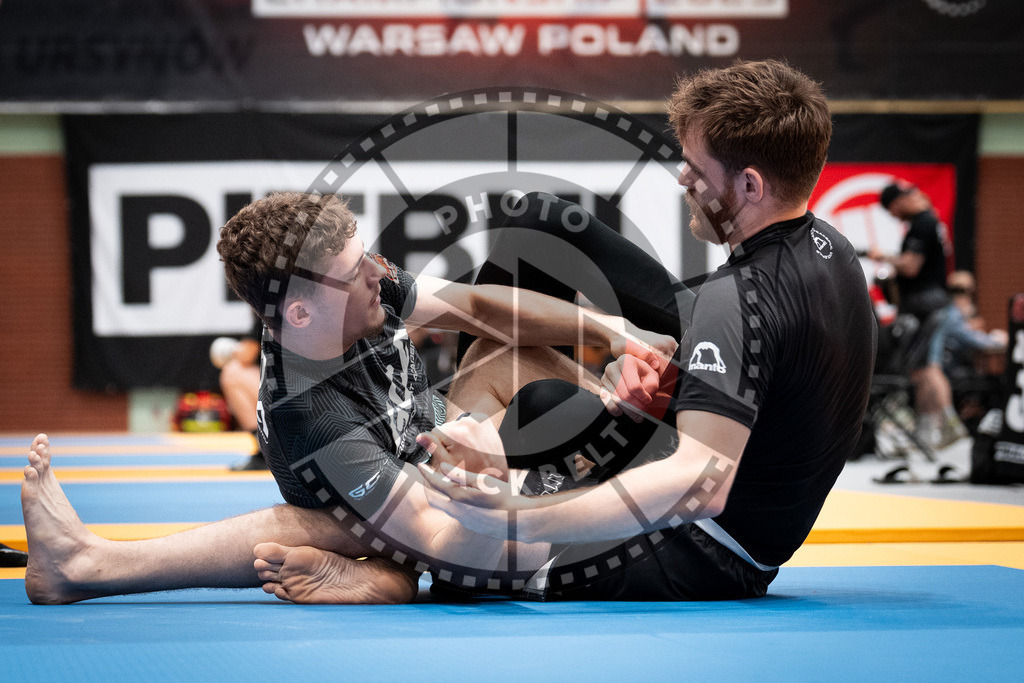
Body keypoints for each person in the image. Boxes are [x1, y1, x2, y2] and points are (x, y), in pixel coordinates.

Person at [20, 189, 675, 604]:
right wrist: (513, 479)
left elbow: (477, 307)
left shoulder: (360, 287)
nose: (378, 272)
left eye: (366, 255)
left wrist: (615, 331)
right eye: (354, 271)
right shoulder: (312, 411)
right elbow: (434, 532)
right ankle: (90, 562)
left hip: (428, 448)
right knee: (352, 530)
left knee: (508, 350)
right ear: (301, 315)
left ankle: (382, 577)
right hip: (407, 507)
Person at [869, 183, 965, 448]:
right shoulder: (927, 221)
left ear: (900, 202)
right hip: (931, 303)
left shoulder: (922, 223)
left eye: (893, 210)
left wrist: (884, 258)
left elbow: (911, 267)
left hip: (927, 306)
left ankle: (945, 427)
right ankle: (934, 430)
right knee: (923, 369)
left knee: (927, 369)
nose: (895, 216)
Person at [210, 316, 267, 471]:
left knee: (233, 372)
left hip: (302, 396)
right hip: (328, 392)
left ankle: (265, 451)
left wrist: (232, 349)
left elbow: (245, 355)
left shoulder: (272, 307)